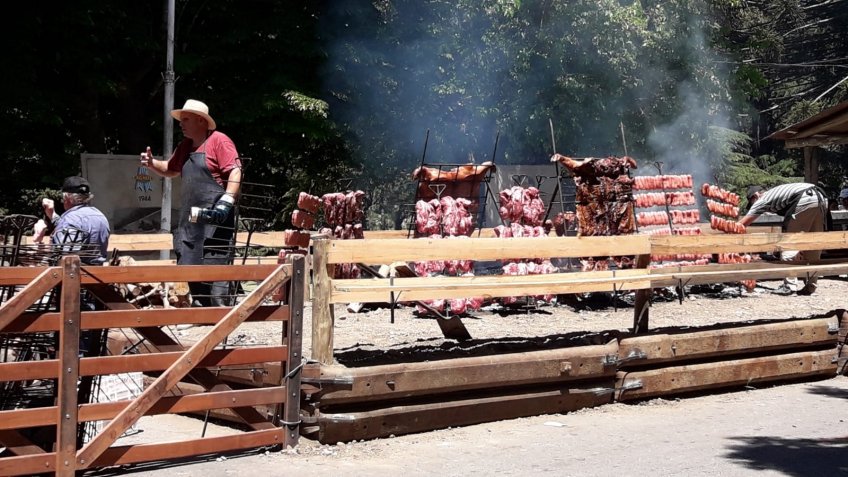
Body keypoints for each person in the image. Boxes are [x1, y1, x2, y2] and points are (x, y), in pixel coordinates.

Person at [140, 99, 242, 307]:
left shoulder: (219, 141)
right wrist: (151, 164)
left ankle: (220, 320)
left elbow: (235, 170)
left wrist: (227, 201)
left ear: (201, 121)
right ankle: (203, 318)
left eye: (185, 119)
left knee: (216, 273)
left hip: (215, 222)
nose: (181, 124)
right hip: (192, 224)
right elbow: (170, 169)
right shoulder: (185, 147)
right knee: (191, 269)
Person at [738, 182, 827, 295]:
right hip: (821, 197)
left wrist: (724, 231)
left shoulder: (762, 200)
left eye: (751, 202)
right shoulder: (775, 195)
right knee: (813, 244)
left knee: (789, 242)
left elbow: (743, 224)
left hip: (804, 198)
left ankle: (790, 286)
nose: (753, 205)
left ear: (755, 196)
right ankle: (811, 286)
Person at [34, 176, 111, 265]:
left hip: (75, 275)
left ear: (66, 197)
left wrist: (41, 257)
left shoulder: (70, 219)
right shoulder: (100, 216)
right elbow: (79, 229)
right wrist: (53, 215)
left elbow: (65, 257)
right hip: (97, 274)